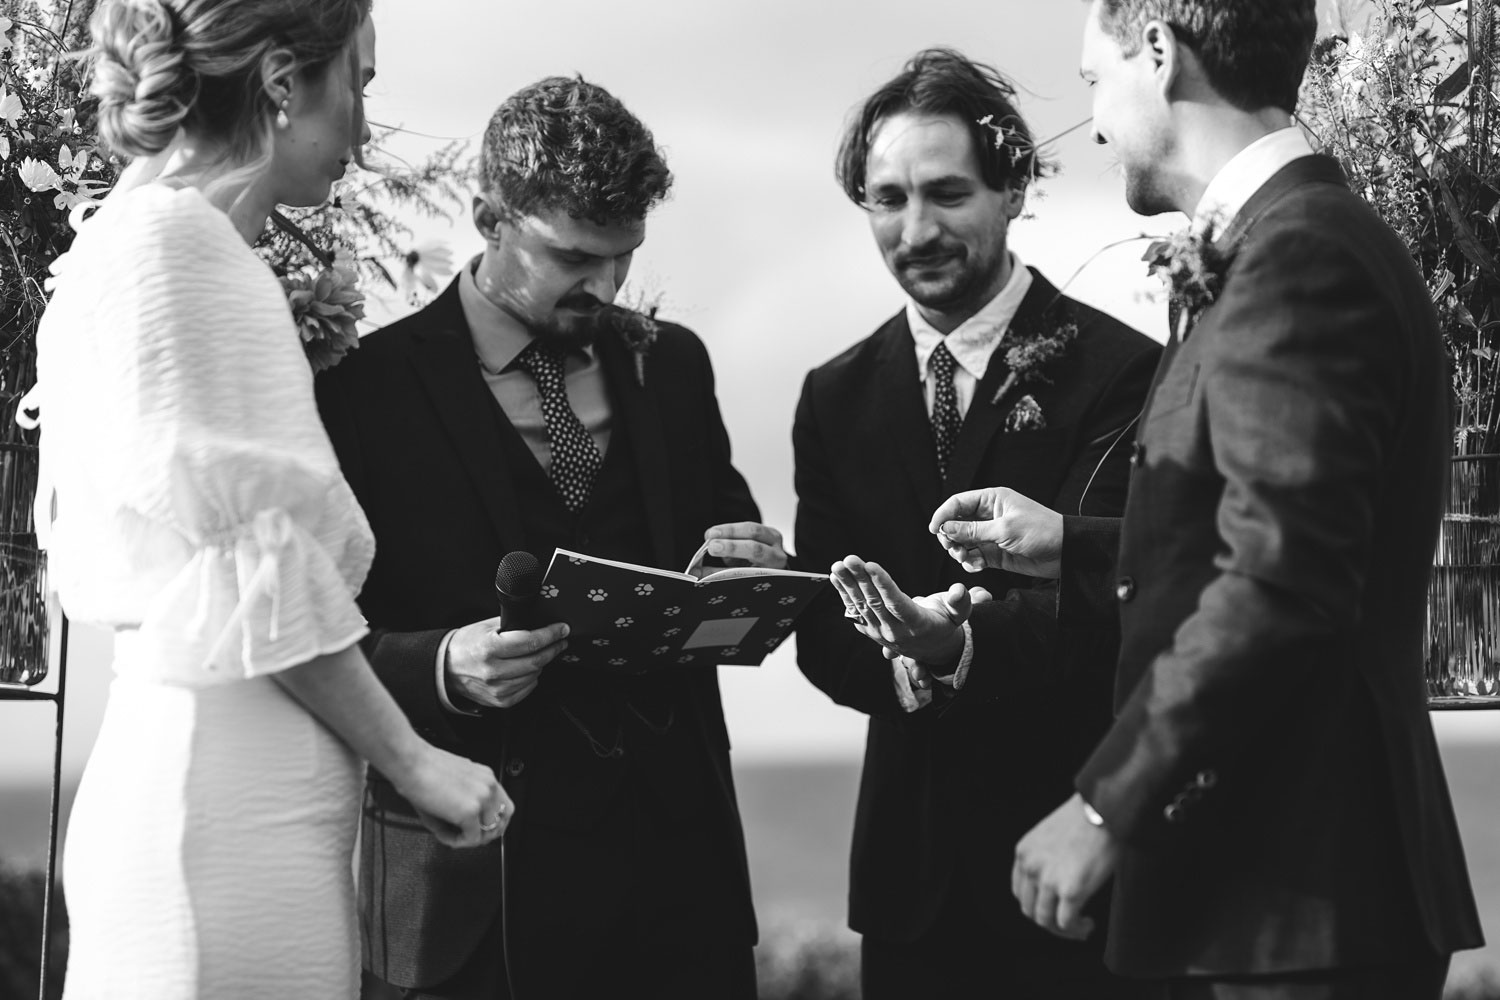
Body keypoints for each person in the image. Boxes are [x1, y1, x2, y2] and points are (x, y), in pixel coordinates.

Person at [918, 2, 1485, 996]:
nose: (1094, 124)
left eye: (1095, 82)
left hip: (1298, 898)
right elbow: (1254, 538)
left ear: (1159, 51)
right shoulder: (1286, 243)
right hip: (1274, 898)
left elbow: (1280, 582)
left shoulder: (1300, 259)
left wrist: (1105, 806)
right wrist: (1075, 547)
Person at [30, 2, 512, 998]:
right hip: (226, 813)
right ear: (285, 80)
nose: (367, 129)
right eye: (360, 82)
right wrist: (416, 759)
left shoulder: (120, 243)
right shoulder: (188, 254)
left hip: (203, 792)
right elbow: (261, 560)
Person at [316, 76, 783, 1000]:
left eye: (623, 257)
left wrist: (746, 577)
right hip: (471, 892)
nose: (605, 287)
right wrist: (443, 665)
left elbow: (732, 587)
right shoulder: (361, 390)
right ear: (489, 216)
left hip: (677, 889)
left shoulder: (674, 365)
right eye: (575, 257)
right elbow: (312, 633)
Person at [791, 48, 1159, 999]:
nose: (916, 229)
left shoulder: (1122, 371)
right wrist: (907, 656)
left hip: (1079, 876)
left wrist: (959, 643)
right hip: (911, 894)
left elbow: (1116, 601)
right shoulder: (831, 397)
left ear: (1012, 188)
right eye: (887, 199)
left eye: (946, 193)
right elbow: (825, 639)